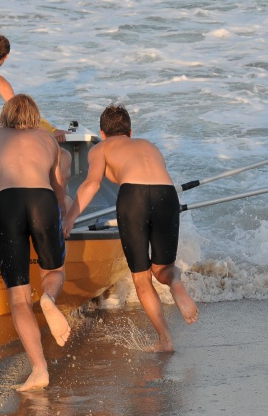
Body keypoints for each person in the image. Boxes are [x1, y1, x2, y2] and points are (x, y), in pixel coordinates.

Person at [62, 104, 198, 353]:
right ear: (130, 132)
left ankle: (165, 340)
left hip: (133, 198)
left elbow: (92, 184)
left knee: (142, 277)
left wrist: (69, 219)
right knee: (163, 269)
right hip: (166, 195)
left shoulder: (101, 148)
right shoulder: (149, 146)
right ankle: (176, 284)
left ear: (102, 134)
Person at [0, 94, 70, 392]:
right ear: (34, 115)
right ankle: (48, 299)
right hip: (42, 199)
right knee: (53, 271)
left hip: (8, 203)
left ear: (5, 114)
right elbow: (58, 188)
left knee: (18, 298)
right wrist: (61, 217)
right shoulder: (48, 140)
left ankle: (39, 369)